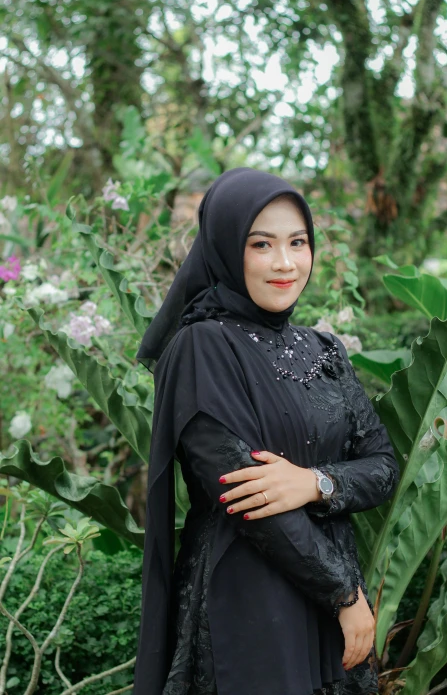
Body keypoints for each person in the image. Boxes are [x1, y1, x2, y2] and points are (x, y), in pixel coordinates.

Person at [133, 167, 400, 695]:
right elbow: (247, 497)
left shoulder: (326, 352)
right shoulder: (202, 347)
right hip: (249, 603)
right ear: (227, 248)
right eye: (262, 244)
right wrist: (345, 595)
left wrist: (316, 482)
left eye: (298, 242)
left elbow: (384, 465)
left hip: (325, 600)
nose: (285, 263)